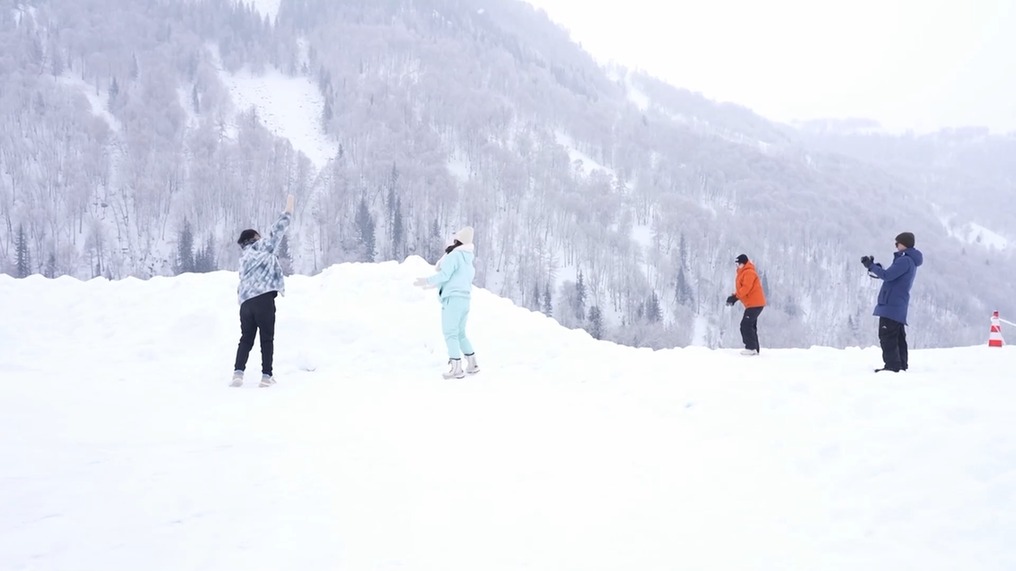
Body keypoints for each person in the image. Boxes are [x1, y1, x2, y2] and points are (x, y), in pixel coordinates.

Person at [230, 195, 294, 387]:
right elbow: (277, 232)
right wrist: (288, 211)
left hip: (246, 304)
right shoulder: (262, 248)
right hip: (263, 300)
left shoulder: (244, 260)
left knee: (246, 338)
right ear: (254, 238)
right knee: (266, 338)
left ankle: (238, 374)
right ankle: (266, 376)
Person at [414, 226, 480, 379]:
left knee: (450, 333)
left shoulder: (454, 256)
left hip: (453, 300)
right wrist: (432, 285)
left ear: (458, 241)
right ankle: (472, 364)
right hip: (465, 300)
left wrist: (427, 281)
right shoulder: (468, 261)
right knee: (461, 333)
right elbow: (455, 279)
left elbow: (444, 275)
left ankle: (456, 368)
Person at [861, 231, 923, 373]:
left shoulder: (905, 260)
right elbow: (891, 275)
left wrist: (871, 266)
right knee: (898, 336)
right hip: (897, 303)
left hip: (891, 303)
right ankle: (901, 365)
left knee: (887, 336)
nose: (896, 246)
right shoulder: (909, 260)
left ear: (904, 244)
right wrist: (876, 268)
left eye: (897, 243)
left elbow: (888, 276)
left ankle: (892, 366)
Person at [726, 253, 767, 355]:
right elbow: (742, 289)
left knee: (746, 325)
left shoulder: (749, 272)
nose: (737, 266)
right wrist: (735, 296)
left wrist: (735, 297)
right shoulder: (744, 272)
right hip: (754, 304)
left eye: (739, 264)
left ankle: (751, 348)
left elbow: (746, 288)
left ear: (744, 263)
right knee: (750, 326)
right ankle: (755, 349)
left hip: (754, 304)